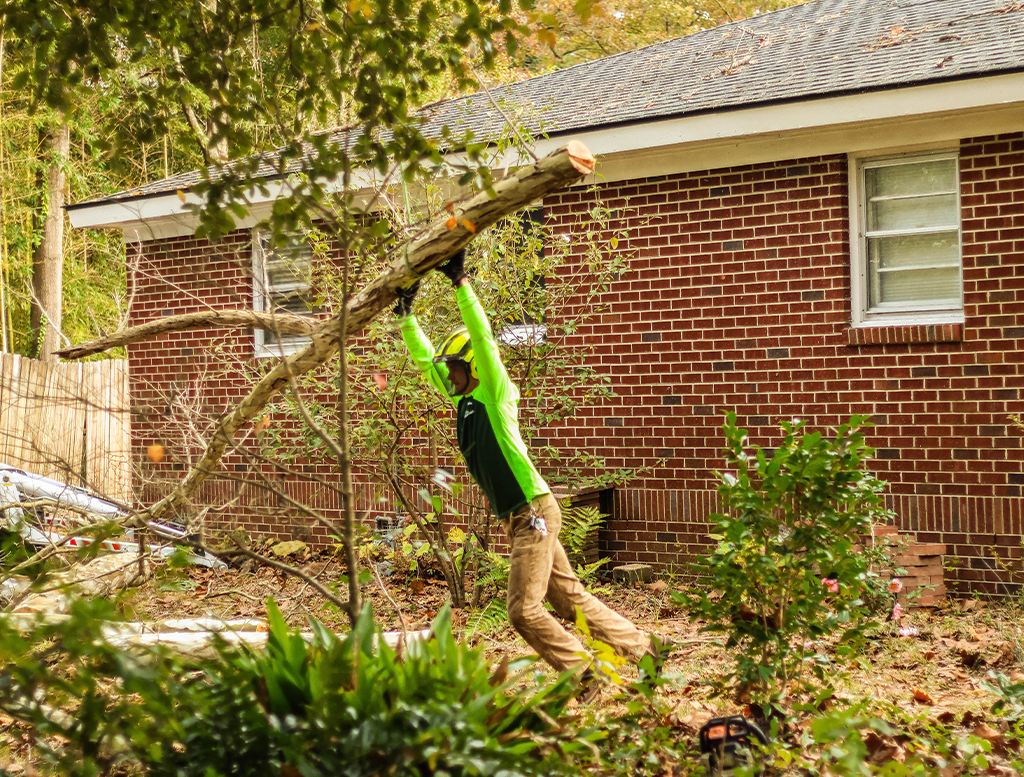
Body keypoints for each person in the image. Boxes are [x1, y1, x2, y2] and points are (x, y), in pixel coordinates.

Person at [395, 248, 668, 680]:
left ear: (475, 370)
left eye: (456, 369)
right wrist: (406, 317)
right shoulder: (463, 400)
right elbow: (426, 361)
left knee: (523, 611)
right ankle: (648, 649)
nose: (448, 376)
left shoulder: (493, 394)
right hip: (523, 515)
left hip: (533, 512)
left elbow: (483, 341)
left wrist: (461, 283)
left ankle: (584, 675)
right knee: (568, 598)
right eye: (447, 371)